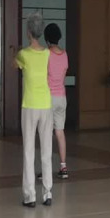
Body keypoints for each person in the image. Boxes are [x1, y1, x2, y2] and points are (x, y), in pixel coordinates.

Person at [15, 13, 53, 207]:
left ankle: (30, 196)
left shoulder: (23, 54)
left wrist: (14, 51)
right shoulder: (47, 54)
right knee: (46, 150)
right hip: (46, 104)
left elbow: (14, 64)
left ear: (29, 32)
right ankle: (47, 193)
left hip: (29, 105)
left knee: (29, 151)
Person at [45, 23, 70, 179]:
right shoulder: (65, 54)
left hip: (49, 98)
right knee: (60, 132)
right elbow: (64, 73)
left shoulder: (46, 54)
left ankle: (46, 170)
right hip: (62, 97)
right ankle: (63, 167)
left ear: (47, 39)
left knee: (47, 134)